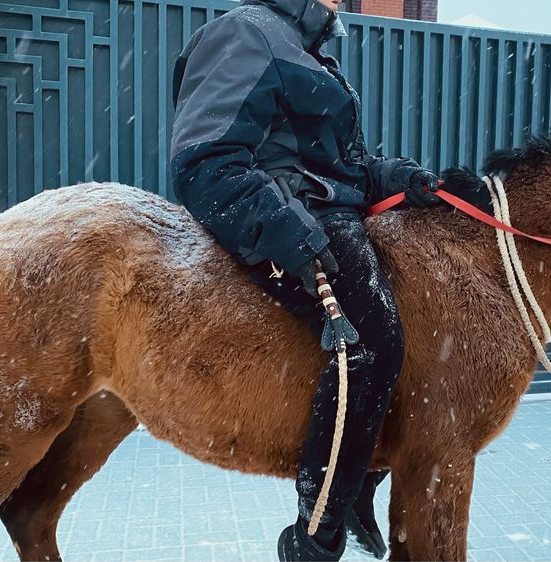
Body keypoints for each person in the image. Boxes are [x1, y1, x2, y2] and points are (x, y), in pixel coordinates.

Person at [169, 0, 447, 559]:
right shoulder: (246, 32)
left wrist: (395, 176)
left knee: (411, 326)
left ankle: (358, 485)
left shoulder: (308, 48)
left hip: (326, 209)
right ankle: (315, 531)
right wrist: (288, 233)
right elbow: (204, 161)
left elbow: (340, 168)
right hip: (292, 219)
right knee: (372, 339)